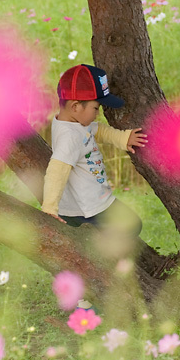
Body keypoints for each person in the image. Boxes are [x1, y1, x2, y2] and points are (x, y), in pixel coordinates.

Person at [41, 64, 148, 251]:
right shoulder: (69, 137)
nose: (98, 114)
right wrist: (49, 208)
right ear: (75, 106)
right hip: (89, 208)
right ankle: (97, 247)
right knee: (132, 225)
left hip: (91, 203)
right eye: (96, 108)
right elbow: (57, 171)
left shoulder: (73, 123)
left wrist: (123, 138)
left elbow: (98, 130)